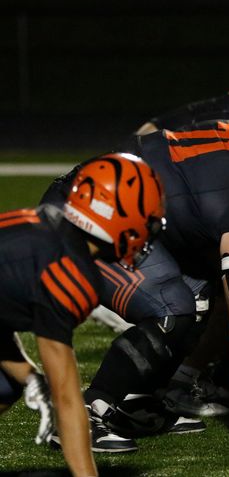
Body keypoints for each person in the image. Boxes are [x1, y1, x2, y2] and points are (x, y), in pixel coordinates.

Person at [44, 89, 229, 450]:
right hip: (84, 219)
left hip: (109, 211)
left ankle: (136, 396)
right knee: (173, 305)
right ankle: (85, 410)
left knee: (200, 298)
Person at [1, 153, 165, 476]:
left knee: (8, 384)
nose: (147, 231)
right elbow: (67, 397)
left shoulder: (51, 225)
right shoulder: (70, 273)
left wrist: (30, 376)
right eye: (144, 218)